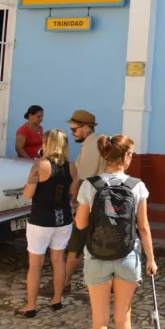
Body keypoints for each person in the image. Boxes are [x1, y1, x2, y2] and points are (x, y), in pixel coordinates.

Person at [74, 134, 157, 329]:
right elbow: (144, 227)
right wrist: (151, 259)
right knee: (123, 319)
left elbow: (80, 223)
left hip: (96, 255)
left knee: (100, 321)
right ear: (127, 156)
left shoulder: (90, 185)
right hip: (127, 256)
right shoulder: (137, 186)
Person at [44, 110, 107, 296]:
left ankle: (63, 282)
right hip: (96, 199)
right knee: (83, 244)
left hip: (88, 200)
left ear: (86, 128)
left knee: (76, 244)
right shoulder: (95, 142)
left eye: (74, 129)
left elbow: (84, 177)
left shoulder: (91, 145)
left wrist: (75, 203)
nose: (72, 132)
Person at [16, 129, 78, 317]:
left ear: (47, 143)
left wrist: (27, 186)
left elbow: (28, 194)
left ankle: (31, 306)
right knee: (59, 260)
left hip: (41, 220)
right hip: (63, 219)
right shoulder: (72, 166)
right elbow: (72, 193)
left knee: (35, 264)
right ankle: (56, 299)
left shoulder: (39, 165)